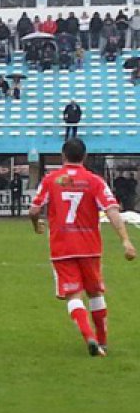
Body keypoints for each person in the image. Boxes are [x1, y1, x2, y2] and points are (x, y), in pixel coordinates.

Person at [28, 138, 135, 357]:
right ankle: (102, 341)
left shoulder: (52, 179)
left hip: (62, 246)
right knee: (95, 292)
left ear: (63, 156)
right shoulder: (94, 181)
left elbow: (33, 209)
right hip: (90, 247)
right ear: (84, 157)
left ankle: (89, 338)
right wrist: (125, 240)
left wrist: (36, 223)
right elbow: (112, 210)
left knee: (73, 296)